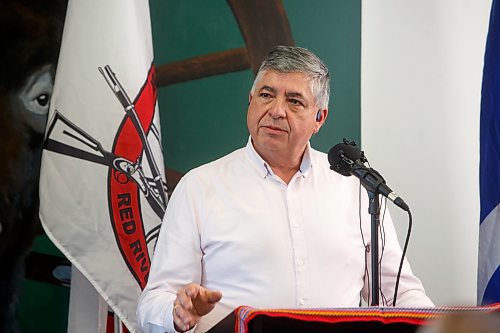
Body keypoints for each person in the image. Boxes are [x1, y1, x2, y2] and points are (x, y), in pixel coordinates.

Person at [137, 45, 434, 333]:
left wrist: (444, 326)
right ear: (250, 100)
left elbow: (399, 294)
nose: (276, 110)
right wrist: (177, 313)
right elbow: (154, 302)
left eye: (294, 101)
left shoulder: (356, 189)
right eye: (266, 95)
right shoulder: (199, 187)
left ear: (320, 118)